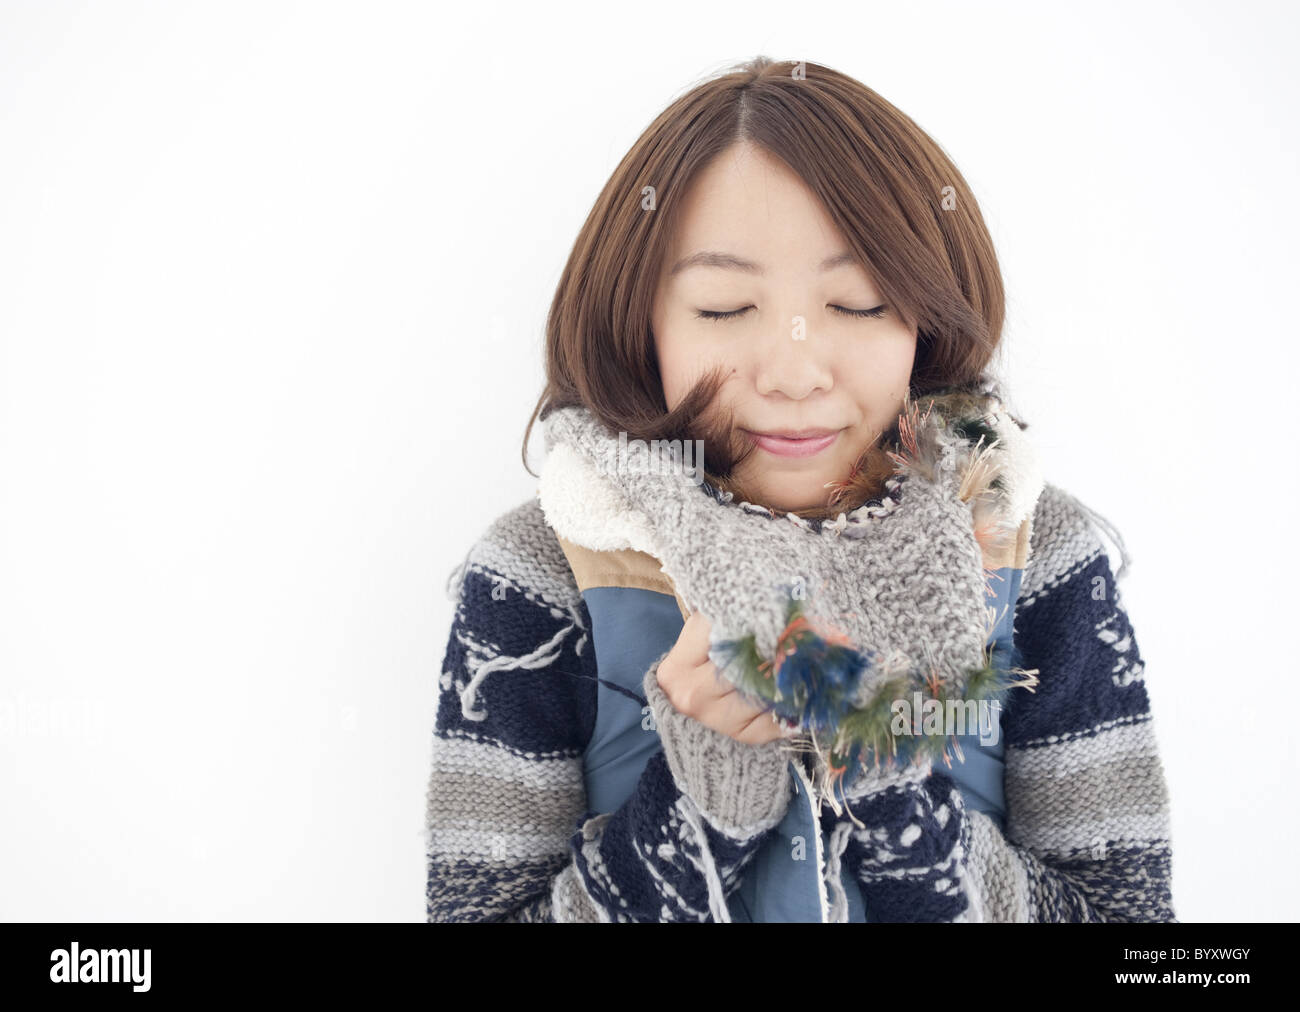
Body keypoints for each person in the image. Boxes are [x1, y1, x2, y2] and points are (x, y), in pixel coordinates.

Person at [423, 56, 1175, 922]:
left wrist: (888, 777)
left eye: (856, 303)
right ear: (641, 324)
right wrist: (699, 798)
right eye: (720, 307)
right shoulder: (546, 572)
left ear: (925, 320)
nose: (791, 371)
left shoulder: (1030, 552)